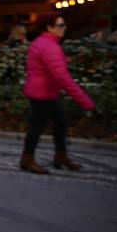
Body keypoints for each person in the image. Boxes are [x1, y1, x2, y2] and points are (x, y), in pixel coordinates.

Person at [20, 13, 95, 173]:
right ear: (49, 27)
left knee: (61, 123)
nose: (64, 28)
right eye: (60, 25)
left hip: (46, 91)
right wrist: (84, 100)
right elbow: (62, 77)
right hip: (42, 93)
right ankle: (27, 159)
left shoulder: (44, 43)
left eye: (64, 25)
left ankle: (60, 156)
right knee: (37, 127)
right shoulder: (49, 46)